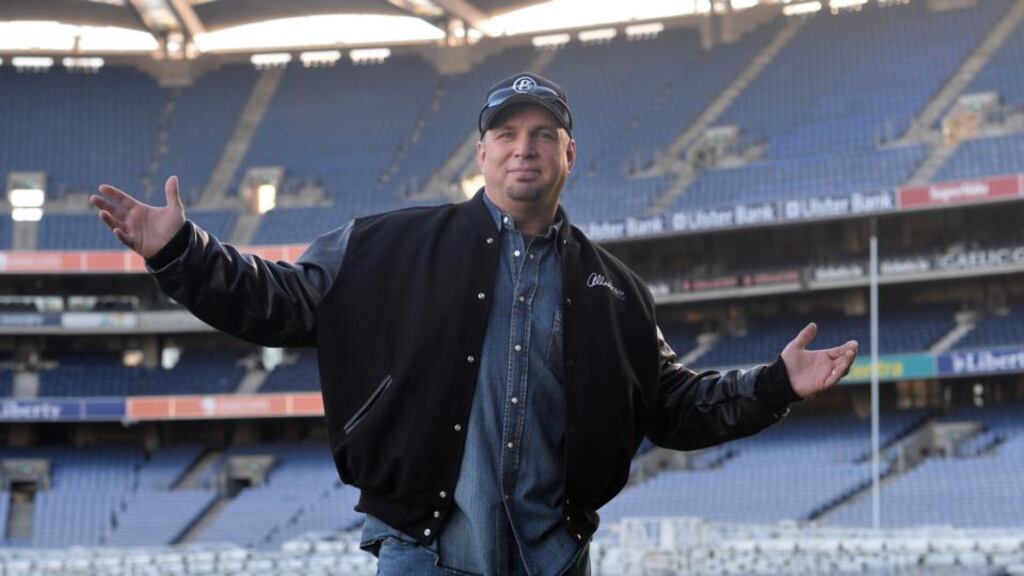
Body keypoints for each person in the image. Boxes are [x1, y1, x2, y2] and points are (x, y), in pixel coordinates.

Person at [91, 72, 859, 576]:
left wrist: (774, 385)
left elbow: (672, 404)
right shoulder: (386, 245)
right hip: (422, 552)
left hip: (552, 558)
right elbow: (277, 299)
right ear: (482, 152)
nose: (523, 149)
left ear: (569, 153)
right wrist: (182, 254)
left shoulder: (615, 290)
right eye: (507, 136)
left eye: (542, 136)